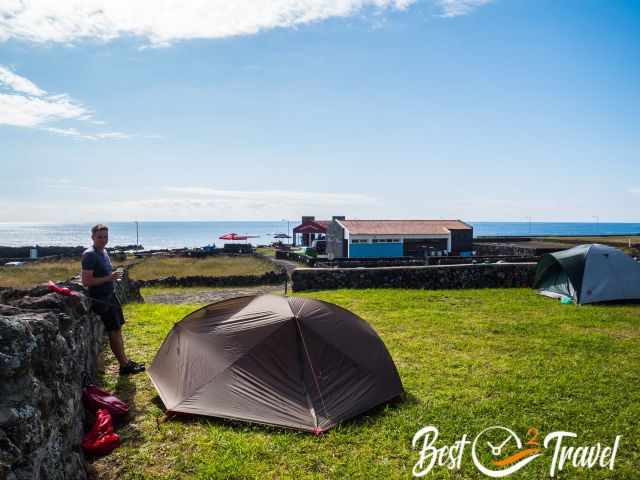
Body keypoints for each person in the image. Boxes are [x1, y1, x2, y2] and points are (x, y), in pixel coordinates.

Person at [81, 224, 145, 375]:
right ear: (93, 237)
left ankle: (125, 362)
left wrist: (111, 277)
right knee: (113, 331)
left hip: (110, 296)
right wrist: (109, 277)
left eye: (105, 237)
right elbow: (86, 281)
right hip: (101, 299)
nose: (103, 240)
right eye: (100, 237)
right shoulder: (89, 255)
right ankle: (124, 366)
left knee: (117, 330)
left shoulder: (103, 251)